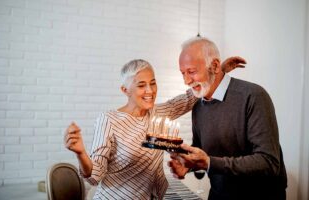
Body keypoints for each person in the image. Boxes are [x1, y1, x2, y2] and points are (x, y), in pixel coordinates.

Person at [64, 57, 244, 199]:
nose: (150, 91)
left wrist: (218, 71)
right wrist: (81, 153)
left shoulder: (159, 112)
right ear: (125, 90)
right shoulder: (109, 120)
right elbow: (94, 176)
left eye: (153, 82)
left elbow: (190, 98)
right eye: (141, 85)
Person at [167, 37, 287, 200]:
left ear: (215, 66)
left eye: (192, 71)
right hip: (219, 195)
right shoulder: (198, 106)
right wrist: (187, 164)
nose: (186, 81)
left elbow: (268, 162)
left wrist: (208, 163)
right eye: (183, 73)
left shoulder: (253, 96)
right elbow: (203, 150)